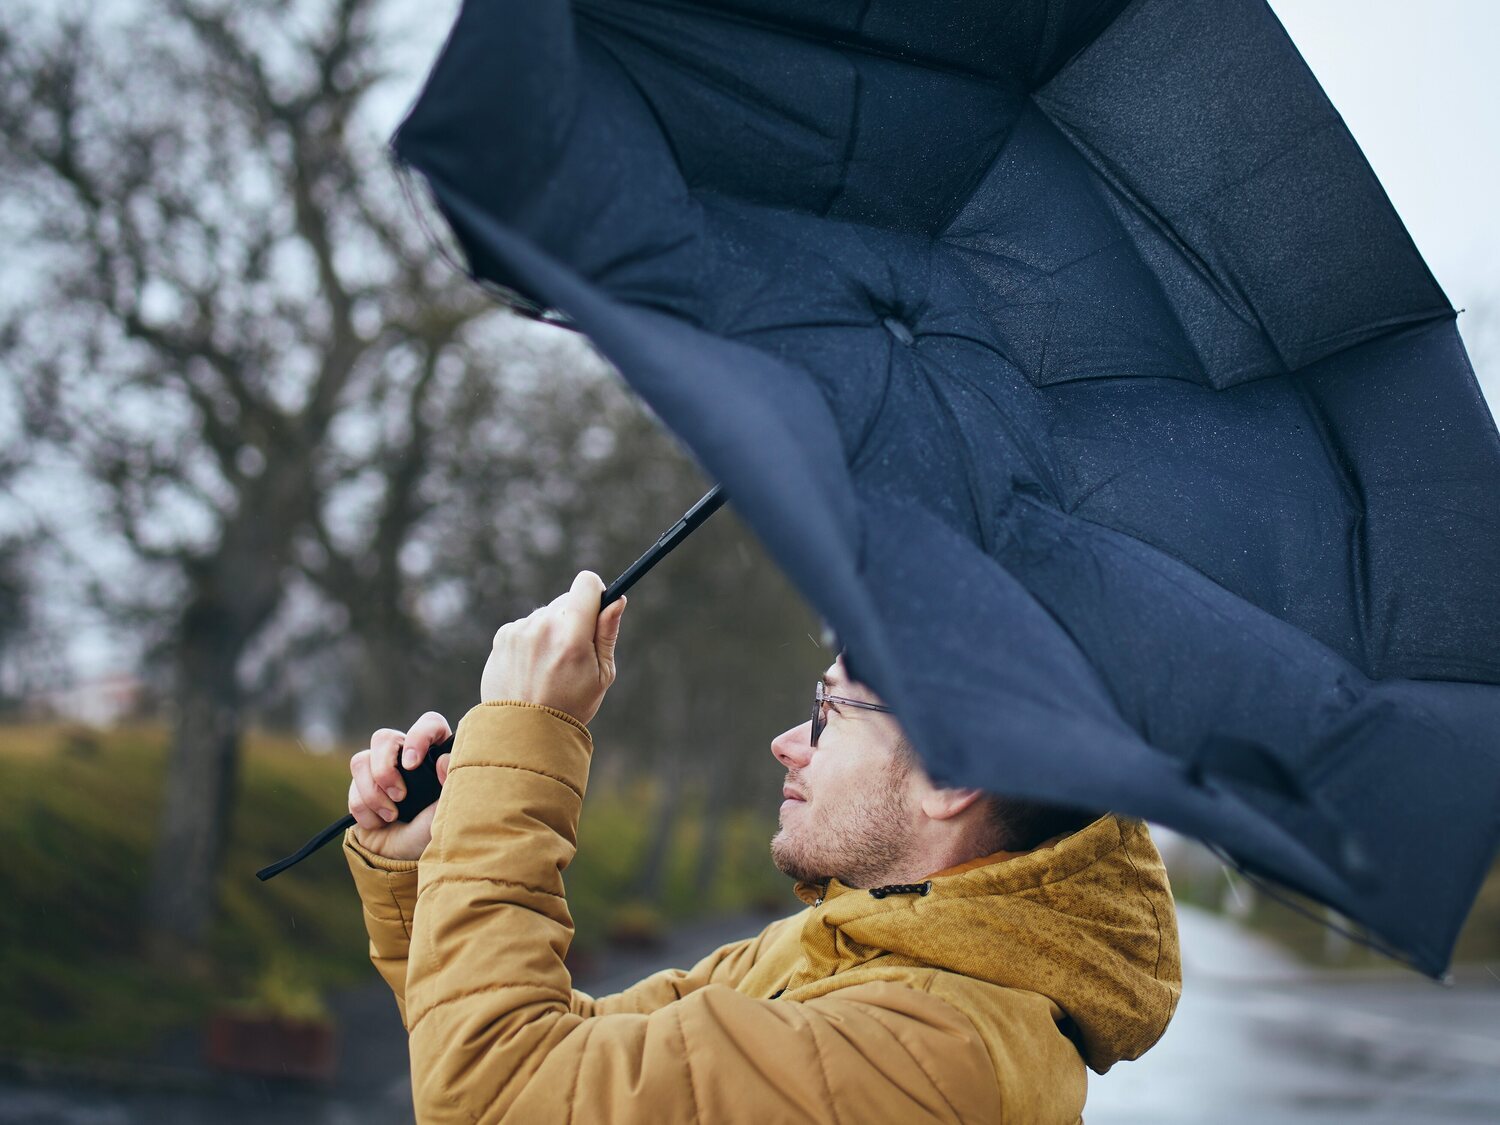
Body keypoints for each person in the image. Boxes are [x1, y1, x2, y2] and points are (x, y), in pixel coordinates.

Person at [344, 571, 1181, 1123]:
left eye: (830, 712)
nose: (789, 741)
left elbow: (497, 1091)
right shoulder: (851, 949)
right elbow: (560, 1056)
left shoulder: (929, 1056)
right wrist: (427, 864)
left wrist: (526, 732)